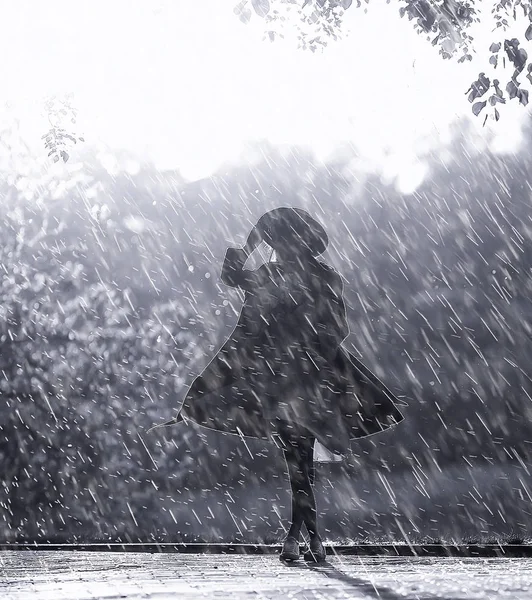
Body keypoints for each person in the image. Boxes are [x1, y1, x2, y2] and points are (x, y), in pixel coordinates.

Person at [150, 207, 406, 563]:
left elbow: (334, 327)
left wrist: (303, 350)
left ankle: (301, 538)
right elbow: (243, 313)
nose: (283, 248)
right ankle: (307, 538)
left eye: (283, 240)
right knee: (298, 459)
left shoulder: (312, 277)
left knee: (298, 459)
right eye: (278, 242)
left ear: (296, 242)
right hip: (290, 378)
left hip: (309, 377)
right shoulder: (277, 276)